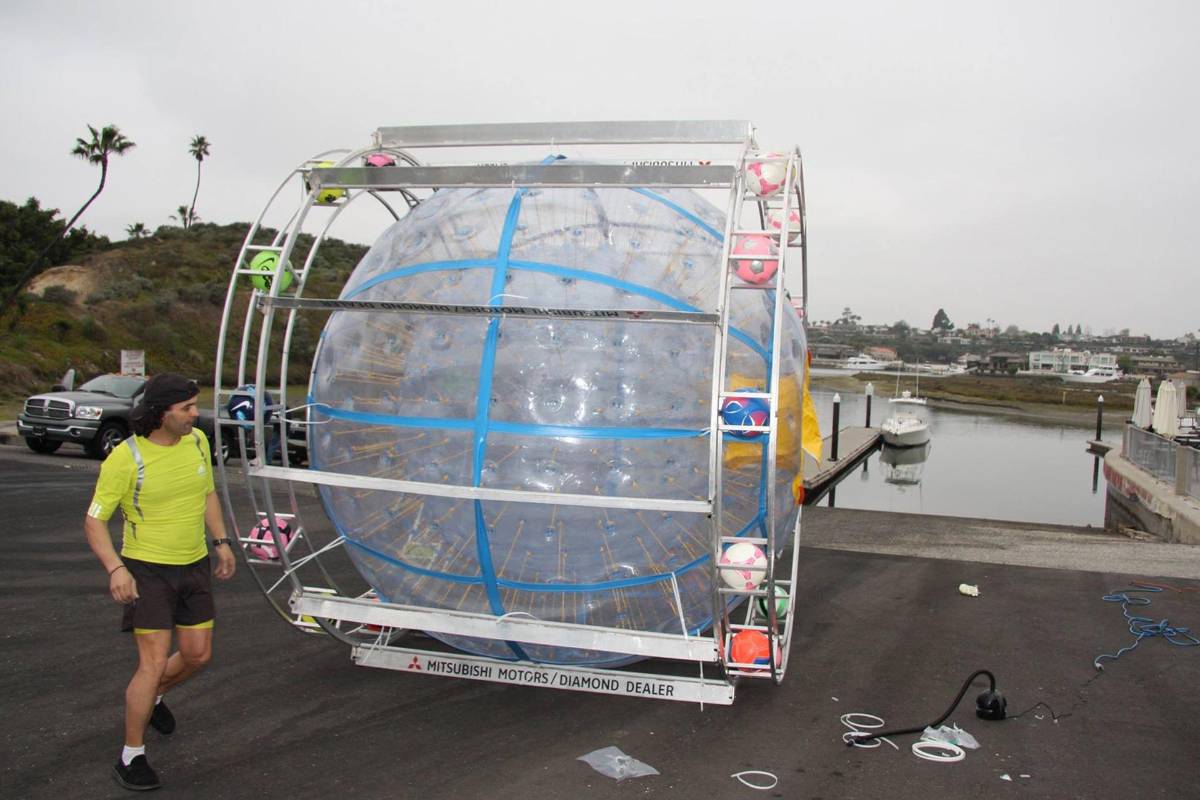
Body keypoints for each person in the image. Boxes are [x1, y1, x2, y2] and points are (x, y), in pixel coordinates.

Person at [84, 373, 236, 791]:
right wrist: (116, 568)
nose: (195, 414)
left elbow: (206, 493)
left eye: (195, 405)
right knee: (151, 663)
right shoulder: (126, 458)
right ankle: (131, 756)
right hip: (147, 570)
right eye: (186, 408)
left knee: (197, 655)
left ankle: (151, 699)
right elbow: (94, 521)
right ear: (160, 413)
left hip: (194, 564)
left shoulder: (197, 442)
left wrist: (221, 542)